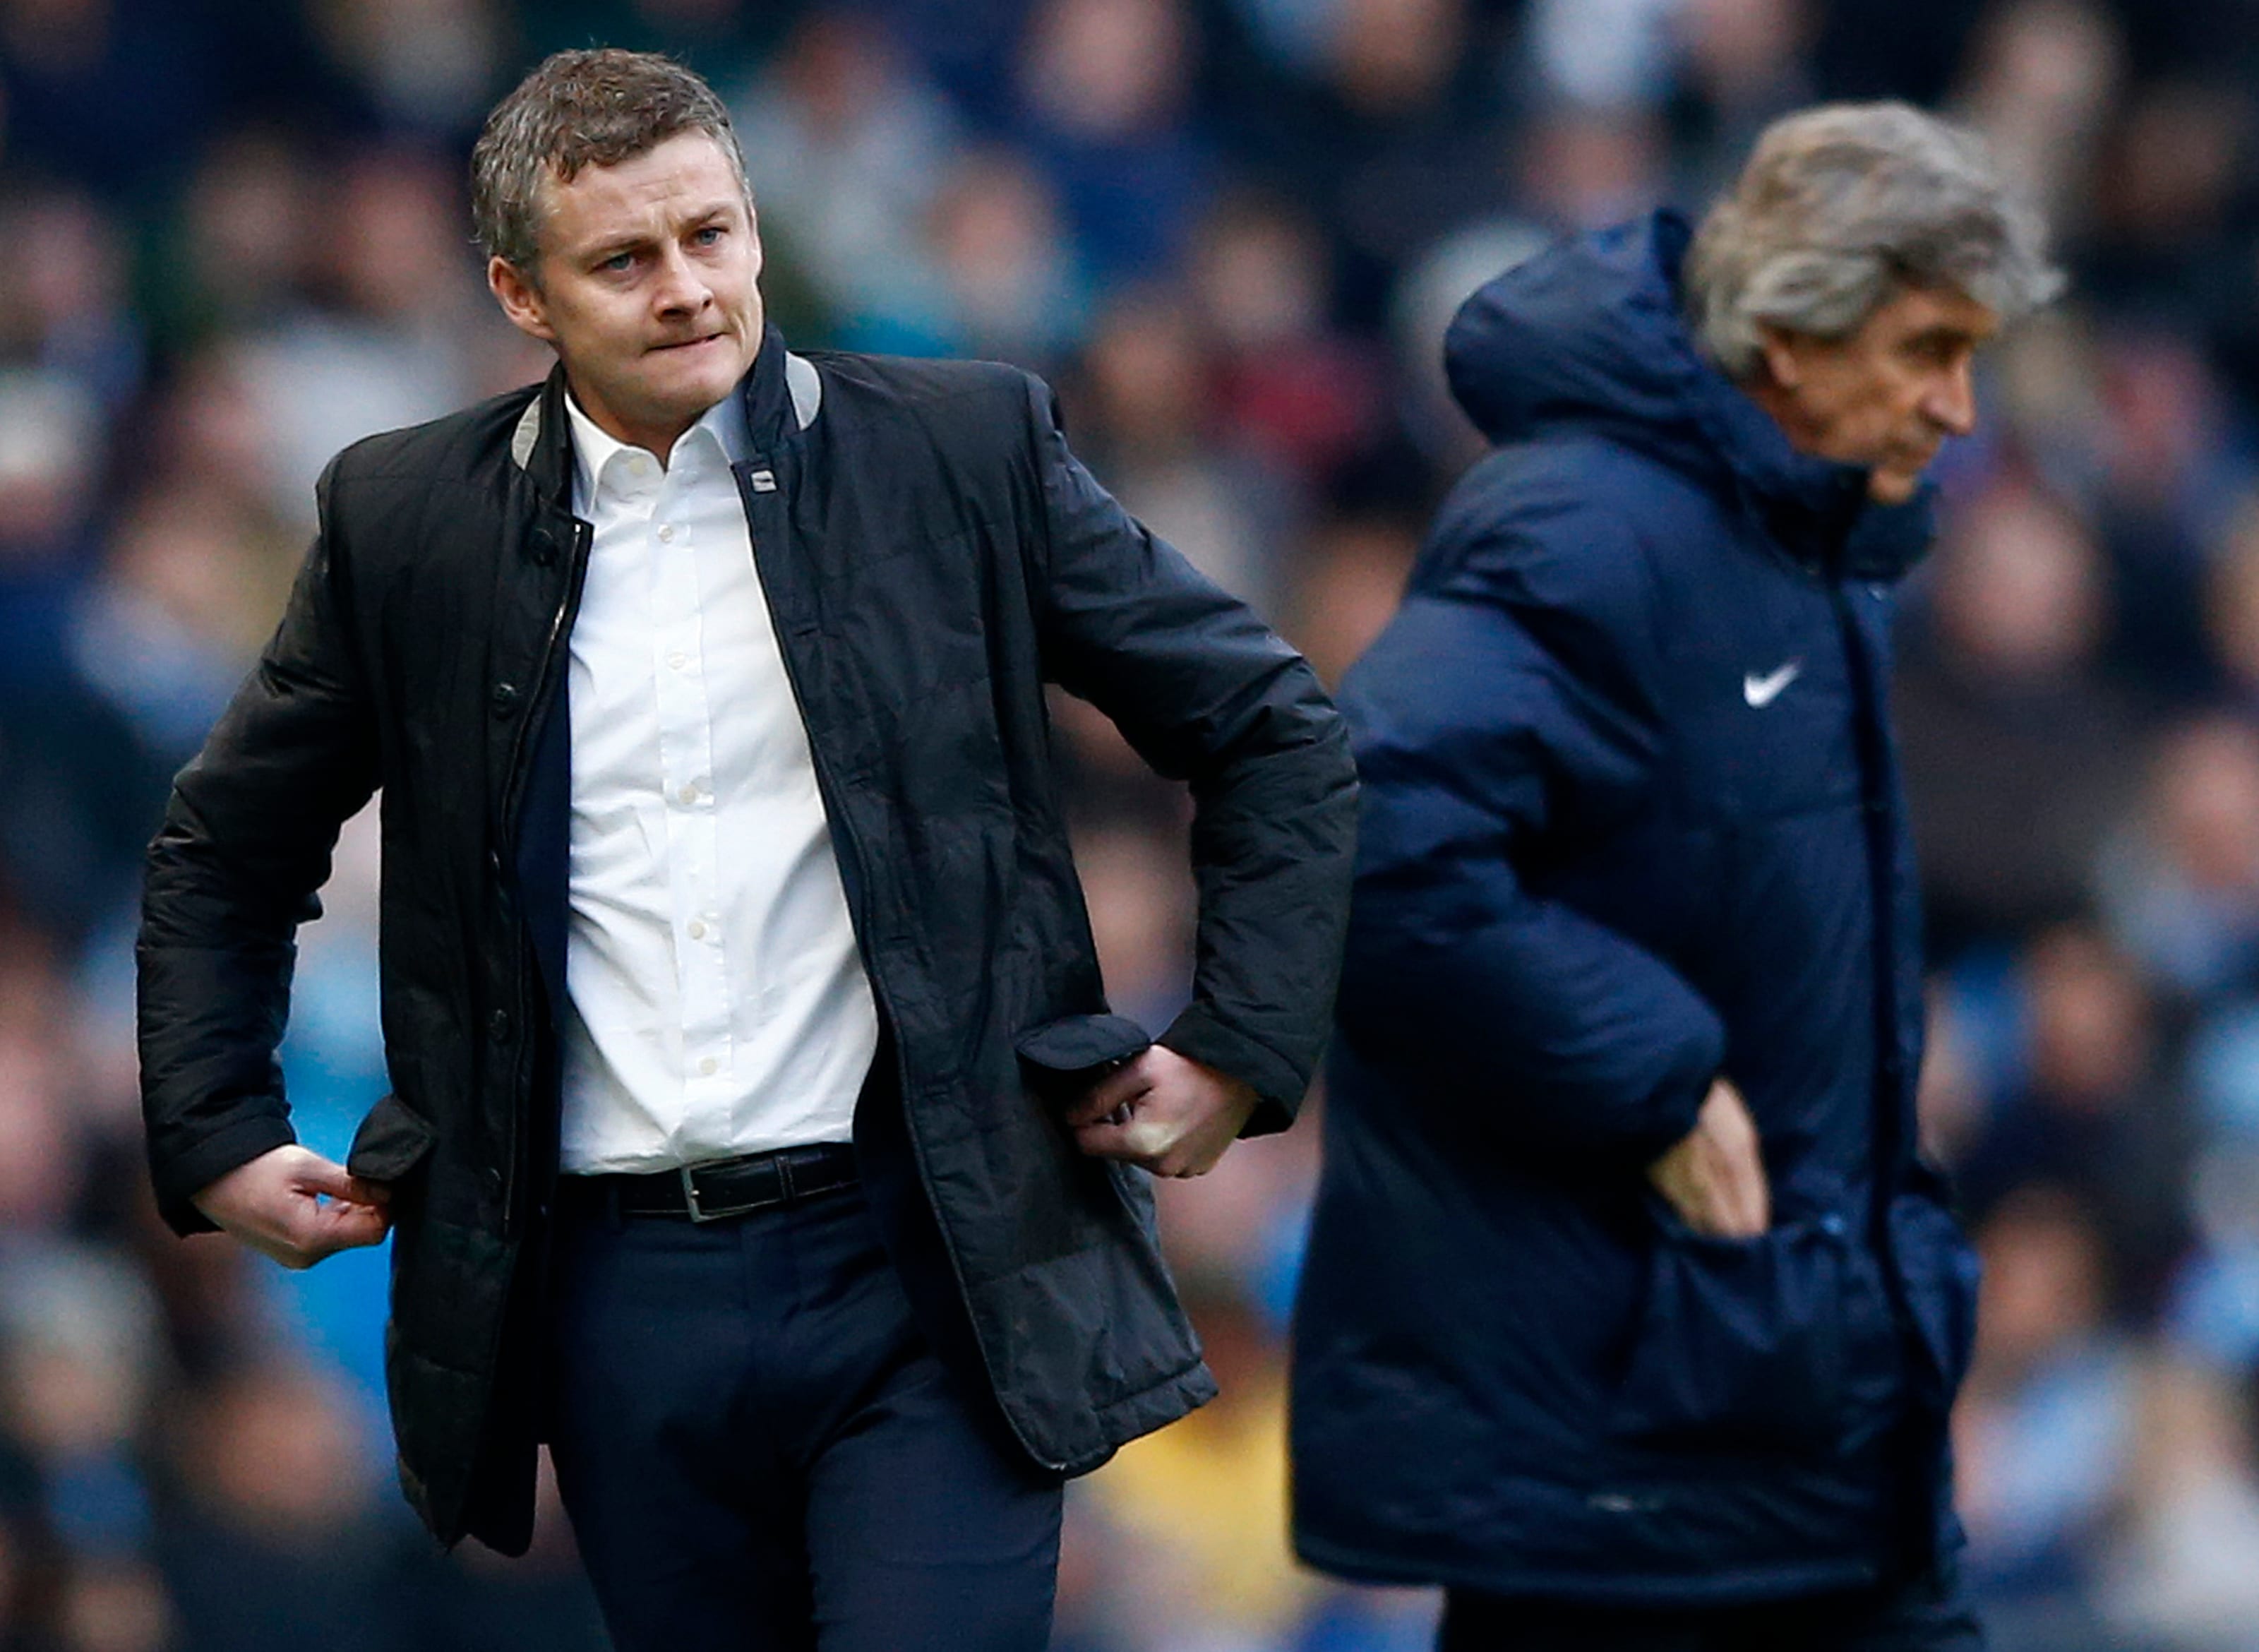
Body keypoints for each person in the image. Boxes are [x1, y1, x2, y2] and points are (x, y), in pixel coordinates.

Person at [137, 48, 1357, 1652]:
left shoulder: (958, 449)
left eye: (710, 234)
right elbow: (224, 847)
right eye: (623, 259)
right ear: (518, 292)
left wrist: (1239, 1046)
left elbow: (1273, 729)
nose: (687, 288)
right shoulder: (407, 518)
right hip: (613, 1296)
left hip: (932, 1262)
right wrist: (217, 1128)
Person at [1290, 102, 2058, 1650]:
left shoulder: (1807, 544)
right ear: (1789, 336)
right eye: (1926, 350)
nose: (1959, 408)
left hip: (1802, 1415)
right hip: (1624, 1457)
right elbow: (1369, 844)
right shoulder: (1586, 528)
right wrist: (1655, 1076)